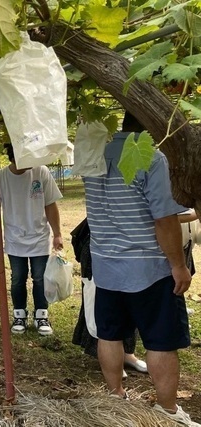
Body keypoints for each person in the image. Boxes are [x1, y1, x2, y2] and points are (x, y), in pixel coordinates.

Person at [83, 112, 198, 426]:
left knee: (110, 335)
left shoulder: (94, 154)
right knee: (161, 340)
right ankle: (168, 411)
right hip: (148, 268)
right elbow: (164, 219)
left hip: (106, 264)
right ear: (153, 123)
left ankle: (115, 396)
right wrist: (179, 265)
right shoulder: (151, 156)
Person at [0, 143, 63, 336]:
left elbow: (50, 204)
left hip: (39, 236)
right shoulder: (1, 177)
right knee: (18, 278)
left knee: (40, 278)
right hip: (14, 237)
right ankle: (19, 315)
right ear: (14, 158)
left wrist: (58, 234)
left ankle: (41, 315)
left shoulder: (41, 171)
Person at [70, 218, 147, 378]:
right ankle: (107, 358)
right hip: (101, 243)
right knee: (100, 302)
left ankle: (127, 353)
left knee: (132, 298)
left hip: (131, 242)